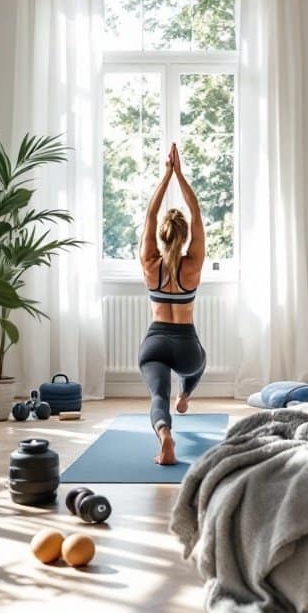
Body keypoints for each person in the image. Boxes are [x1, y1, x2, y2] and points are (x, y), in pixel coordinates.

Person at [138, 143, 207, 465]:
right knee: (200, 361)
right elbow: (197, 215)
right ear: (182, 236)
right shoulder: (192, 264)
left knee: (157, 396)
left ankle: (165, 435)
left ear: (163, 236)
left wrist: (165, 176)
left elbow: (151, 213)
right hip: (186, 346)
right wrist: (180, 175)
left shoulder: (150, 263)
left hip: (154, 343)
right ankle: (187, 394)